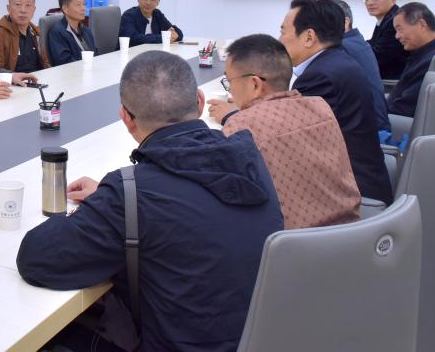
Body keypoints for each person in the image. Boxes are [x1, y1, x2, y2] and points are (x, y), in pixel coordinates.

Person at [18, 51, 281, 352]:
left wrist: (108, 203)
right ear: (199, 101)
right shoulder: (251, 160)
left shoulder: (131, 194)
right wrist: (114, 199)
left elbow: (36, 258)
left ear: (126, 118)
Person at [207, 34, 361, 229]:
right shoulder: (320, 106)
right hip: (353, 231)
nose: (230, 91)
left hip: (290, 243)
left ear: (255, 84)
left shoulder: (241, 126)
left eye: (230, 82)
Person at [280, 0, 393, 203]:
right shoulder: (336, 61)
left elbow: (289, 140)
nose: (279, 40)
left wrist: (237, 113)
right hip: (362, 176)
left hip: (351, 194)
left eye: (283, 32)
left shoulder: (320, 77)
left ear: (309, 37)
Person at [387, 2, 435, 118]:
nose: (397, 36)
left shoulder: (434, 62)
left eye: (400, 29)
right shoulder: (425, 53)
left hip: (400, 123)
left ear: (421, 24)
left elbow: (403, 109)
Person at [331, 0, 389, 130]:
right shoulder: (356, 41)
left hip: (365, 131)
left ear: (345, 22)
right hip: (375, 125)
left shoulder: (342, 48)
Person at [363, 0, 408, 80]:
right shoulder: (387, 18)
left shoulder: (395, 21)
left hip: (392, 80)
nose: (370, 3)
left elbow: (378, 56)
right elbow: (373, 44)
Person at [48, 0, 99, 66]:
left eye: (84, 4)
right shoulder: (57, 32)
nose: (83, 8)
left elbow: (96, 54)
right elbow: (65, 62)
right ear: (65, 8)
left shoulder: (86, 29)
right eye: (78, 5)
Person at [118, 0, 183, 46]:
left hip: (152, 52)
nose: (148, 3)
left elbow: (177, 33)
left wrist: (174, 35)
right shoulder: (128, 15)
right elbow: (132, 39)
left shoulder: (157, 14)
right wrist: (162, 38)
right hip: (130, 53)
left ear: (158, 2)